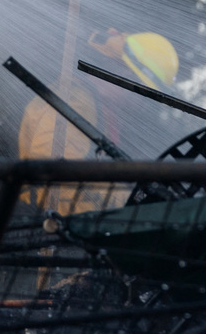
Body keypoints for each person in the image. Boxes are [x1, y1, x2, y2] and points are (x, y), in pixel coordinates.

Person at [18, 30, 179, 215]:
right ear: (125, 74)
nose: (146, 104)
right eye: (148, 94)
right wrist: (127, 201)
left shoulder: (103, 108)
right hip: (43, 223)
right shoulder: (76, 102)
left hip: (76, 224)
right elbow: (54, 176)